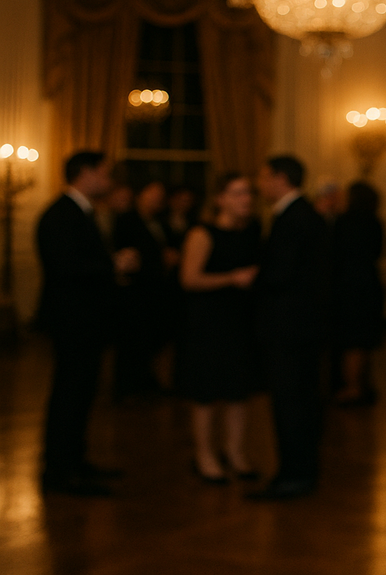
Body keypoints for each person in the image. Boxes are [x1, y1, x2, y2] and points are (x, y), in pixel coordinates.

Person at [36, 151, 139, 496]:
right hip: (73, 320)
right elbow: (66, 267)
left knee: (81, 393)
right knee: (70, 393)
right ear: (85, 173)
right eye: (105, 173)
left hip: (85, 320)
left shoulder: (80, 212)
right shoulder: (62, 214)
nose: (109, 181)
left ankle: (74, 461)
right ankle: (60, 470)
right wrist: (113, 265)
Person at [247, 155, 329, 500]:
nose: (260, 184)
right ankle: (300, 471)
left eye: (264, 177)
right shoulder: (306, 215)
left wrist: (252, 279)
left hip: (288, 329)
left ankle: (294, 475)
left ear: (281, 179)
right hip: (304, 328)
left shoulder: (292, 219)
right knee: (301, 401)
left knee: (291, 403)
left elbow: (280, 275)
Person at [176, 173, 261, 484]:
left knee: (239, 391)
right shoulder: (202, 233)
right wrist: (232, 278)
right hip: (207, 324)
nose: (246, 199)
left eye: (248, 192)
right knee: (207, 393)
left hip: (240, 322)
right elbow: (189, 279)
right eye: (238, 193)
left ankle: (235, 452)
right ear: (220, 199)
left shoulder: (253, 231)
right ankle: (205, 455)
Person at [111, 181, 177, 400]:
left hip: (155, 291)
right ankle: (127, 388)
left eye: (160, 197)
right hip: (135, 291)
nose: (157, 201)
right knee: (132, 341)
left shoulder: (160, 222)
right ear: (141, 195)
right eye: (153, 195)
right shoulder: (126, 220)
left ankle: (146, 383)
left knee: (150, 340)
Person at [331, 181, 386, 406]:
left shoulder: (343, 222)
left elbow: (335, 253)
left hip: (349, 286)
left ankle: (352, 388)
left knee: (352, 340)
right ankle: (362, 385)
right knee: (364, 340)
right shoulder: (375, 222)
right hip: (369, 283)